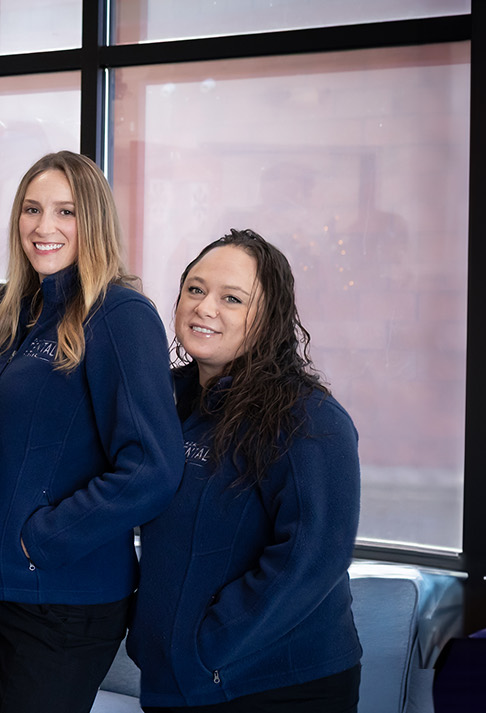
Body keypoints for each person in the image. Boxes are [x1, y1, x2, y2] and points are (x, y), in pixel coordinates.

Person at [0, 150, 183, 713]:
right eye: (32, 209)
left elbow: (152, 467)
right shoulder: (20, 314)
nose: (44, 227)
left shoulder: (120, 314)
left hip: (62, 597)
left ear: (95, 221)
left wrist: (41, 537)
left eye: (66, 212)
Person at [127, 229, 362, 712]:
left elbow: (311, 560)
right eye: (195, 289)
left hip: (274, 684)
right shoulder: (168, 404)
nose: (205, 307)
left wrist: (207, 644)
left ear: (269, 319)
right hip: (178, 678)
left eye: (232, 298)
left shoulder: (309, 419)